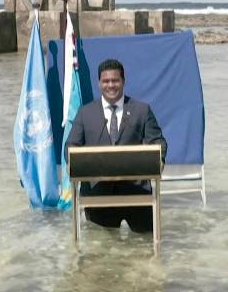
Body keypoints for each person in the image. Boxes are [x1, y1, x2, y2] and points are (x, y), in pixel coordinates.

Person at [66, 58, 167, 233]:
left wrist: (160, 159)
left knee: (144, 248)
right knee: (103, 250)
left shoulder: (142, 110)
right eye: (106, 81)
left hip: (136, 193)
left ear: (123, 82)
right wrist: (72, 161)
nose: (111, 85)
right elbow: (71, 145)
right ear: (99, 83)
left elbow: (158, 142)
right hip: (98, 195)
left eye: (115, 80)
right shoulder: (85, 113)